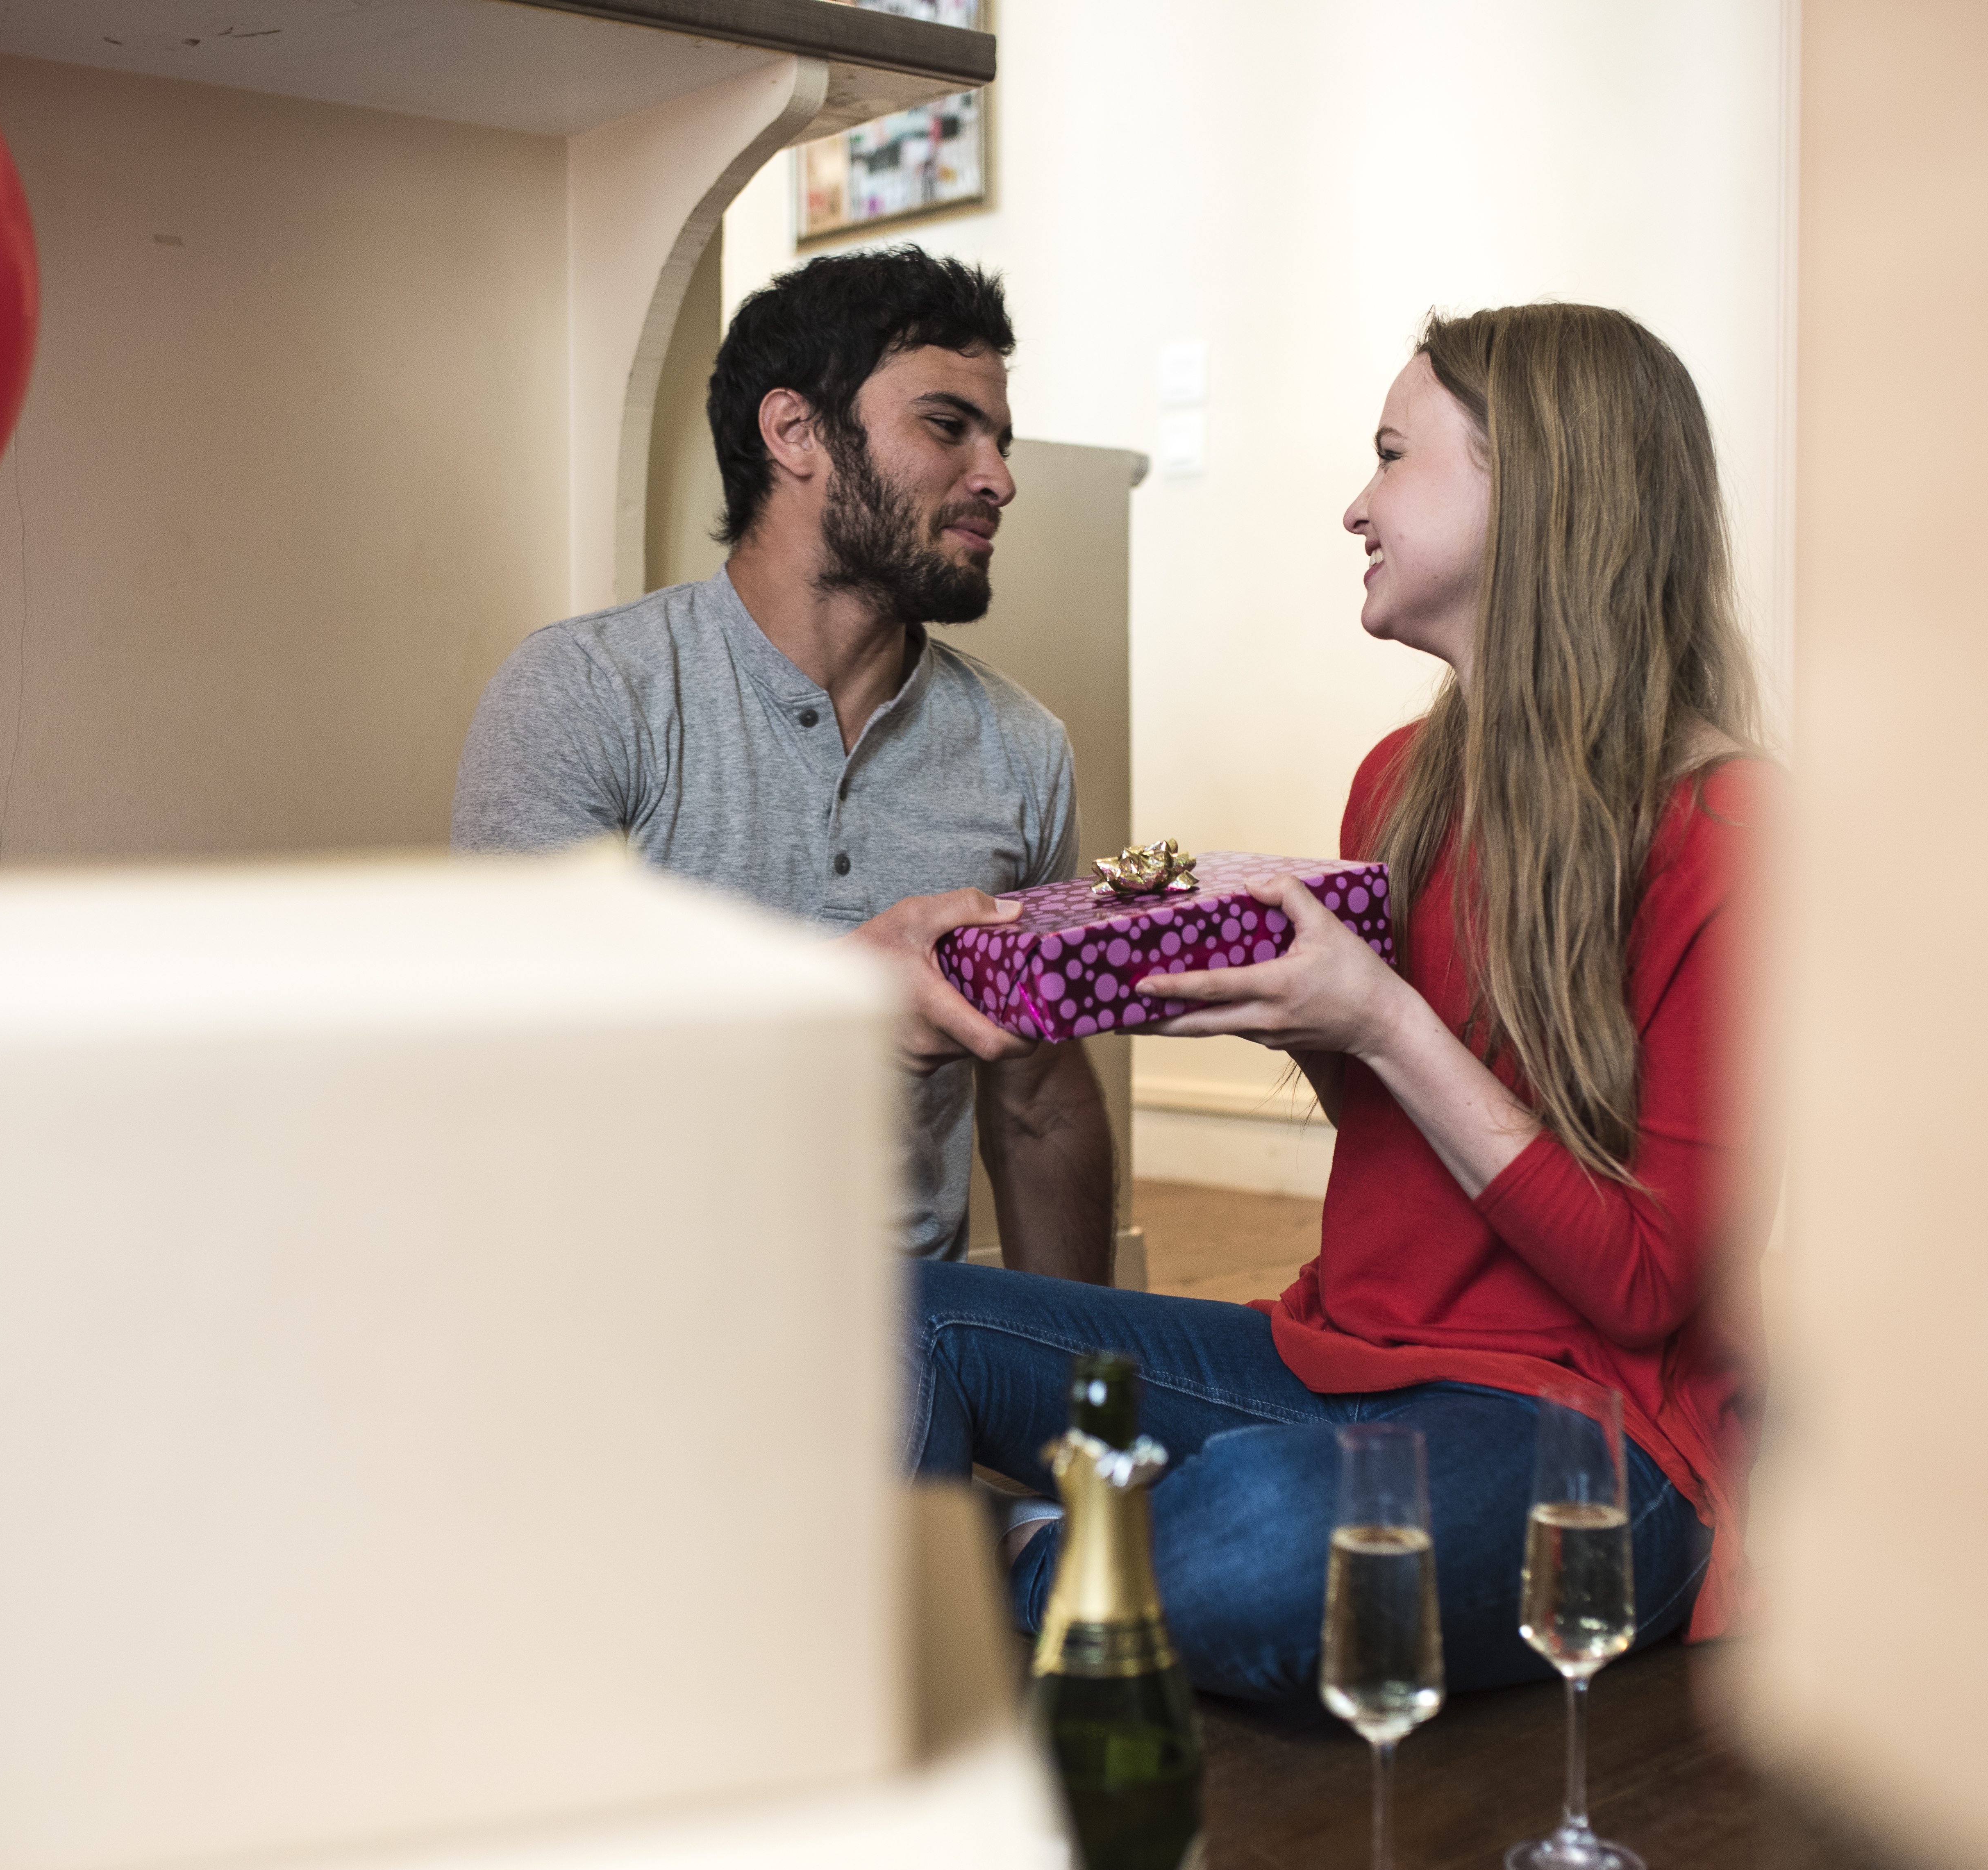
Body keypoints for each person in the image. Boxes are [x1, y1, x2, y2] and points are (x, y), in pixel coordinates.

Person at [909, 303, 1770, 1707]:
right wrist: (1304, 1024)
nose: (1355, 505)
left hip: (1591, 1433)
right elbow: (1408, 1148)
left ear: (1535, 486)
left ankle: (1030, 1556)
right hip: (1343, 1365)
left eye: (1392, 456)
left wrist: (1377, 1019)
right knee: (902, 1318)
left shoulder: (1735, 837)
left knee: (1264, 1535)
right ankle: (1073, 1567)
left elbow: (1644, 1286)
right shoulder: (1402, 778)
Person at [452, 249, 1113, 1281]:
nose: (998, 477)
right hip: (626, 1305)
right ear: (794, 432)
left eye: (999, 438)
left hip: (903, 1330)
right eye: (948, 426)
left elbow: (1039, 1109)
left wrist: (1077, 1403)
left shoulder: (1022, 747)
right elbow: (513, 1062)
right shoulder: (586, 692)